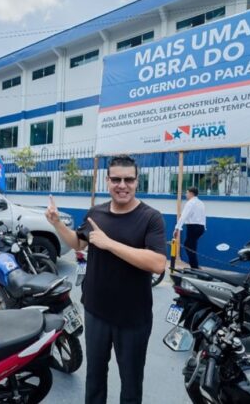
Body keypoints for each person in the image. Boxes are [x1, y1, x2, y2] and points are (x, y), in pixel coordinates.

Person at [45, 154, 167, 404]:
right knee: (95, 377)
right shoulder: (96, 213)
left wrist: (110, 244)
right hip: (96, 311)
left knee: (131, 384)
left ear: (137, 182)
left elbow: (157, 263)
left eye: (128, 179)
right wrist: (57, 224)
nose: (122, 185)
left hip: (133, 319)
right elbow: (77, 242)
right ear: (107, 181)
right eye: (116, 179)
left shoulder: (150, 217)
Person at [173, 187, 206, 269]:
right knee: (192, 246)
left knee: (188, 245)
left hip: (193, 227)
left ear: (191, 193)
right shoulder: (201, 203)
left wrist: (177, 228)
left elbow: (184, 216)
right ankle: (194, 266)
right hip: (200, 227)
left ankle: (194, 266)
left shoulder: (190, 203)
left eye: (187, 193)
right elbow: (203, 216)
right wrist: (204, 227)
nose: (186, 194)